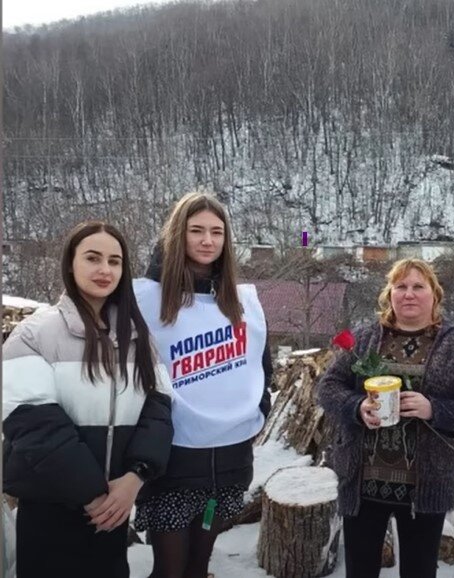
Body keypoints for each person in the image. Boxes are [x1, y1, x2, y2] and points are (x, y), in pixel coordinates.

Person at [2, 221, 174, 578]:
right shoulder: (34, 334)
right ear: (70, 264)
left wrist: (136, 477)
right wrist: (93, 495)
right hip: (51, 512)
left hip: (115, 509)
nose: (104, 269)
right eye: (93, 258)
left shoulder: (137, 338)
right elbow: (35, 426)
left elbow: (157, 410)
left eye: (114, 261)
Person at [316, 258, 454, 578]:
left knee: (419, 572)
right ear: (389, 294)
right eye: (400, 286)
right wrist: (357, 407)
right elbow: (328, 387)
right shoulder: (366, 338)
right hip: (362, 485)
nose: (408, 294)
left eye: (418, 286)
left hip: (424, 489)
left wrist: (435, 409)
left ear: (434, 295)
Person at [133, 192, 272, 578]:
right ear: (177, 234)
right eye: (196, 230)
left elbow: (261, 368)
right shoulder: (145, 298)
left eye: (217, 232)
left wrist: (259, 408)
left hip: (228, 463)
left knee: (198, 567)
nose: (207, 240)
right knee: (169, 571)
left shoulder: (243, 302)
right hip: (171, 463)